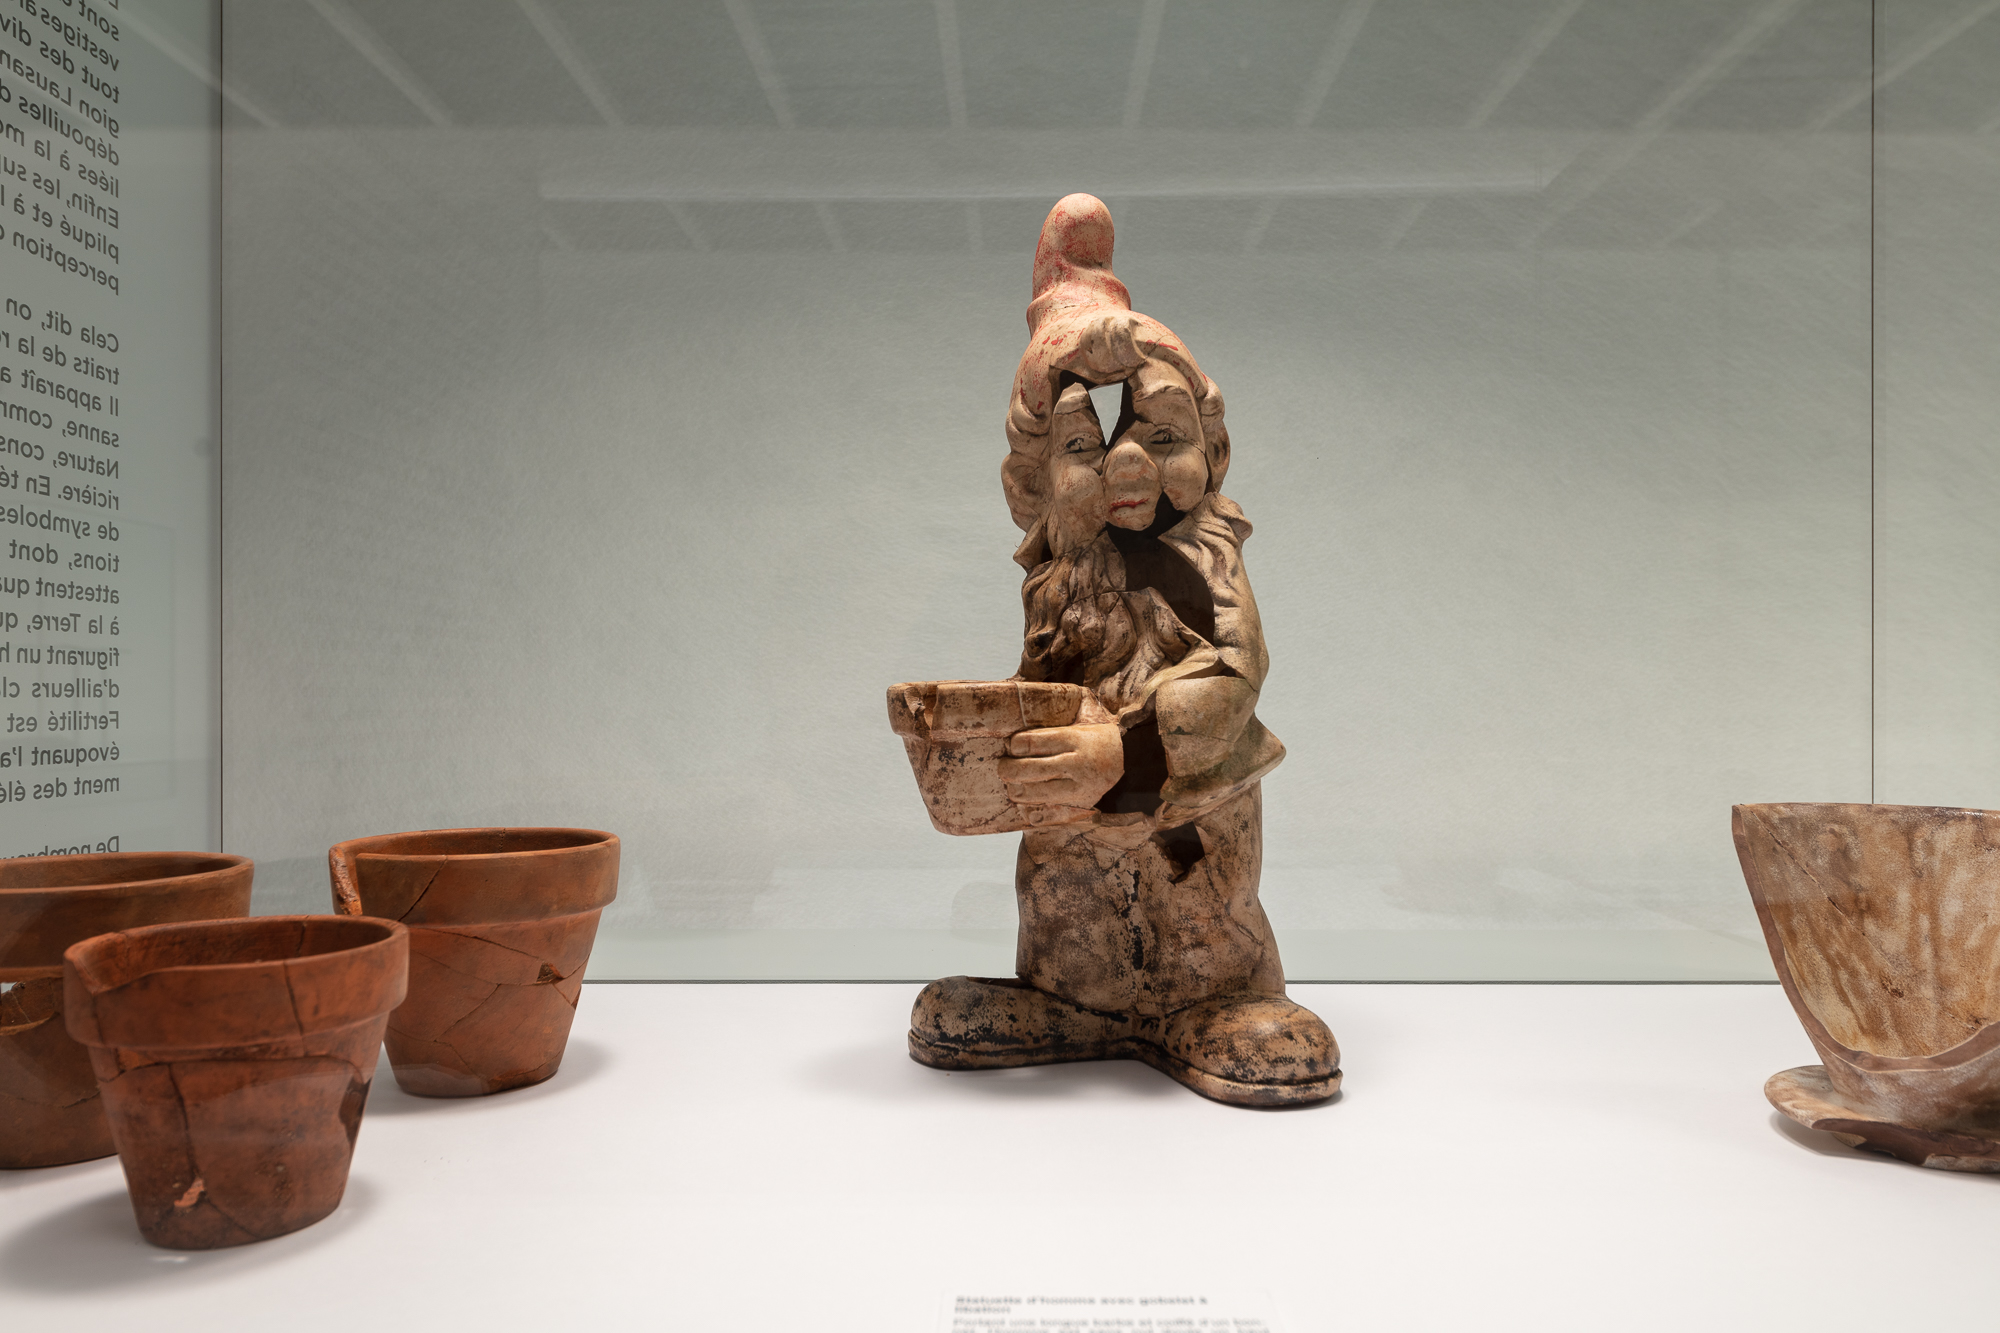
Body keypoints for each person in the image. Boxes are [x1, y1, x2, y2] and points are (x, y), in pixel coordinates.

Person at [906, 194, 1339, 1107]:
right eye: (1083, 446)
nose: (1123, 468)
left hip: (1196, 884)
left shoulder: (1203, 566)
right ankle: (1070, 1004)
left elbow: (1232, 677)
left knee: (1255, 1011)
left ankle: (1217, 1004)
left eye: (1161, 435)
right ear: (1031, 487)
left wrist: (1124, 751)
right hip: (1070, 934)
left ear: (1211, 456)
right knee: (968, 999)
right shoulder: (1059, 587)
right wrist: (975, 750)